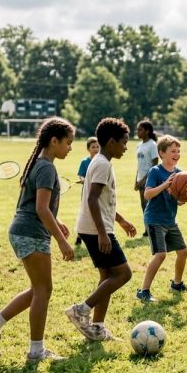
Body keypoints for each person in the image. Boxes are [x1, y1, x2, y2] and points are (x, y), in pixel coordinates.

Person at [0, 117, 76, 361]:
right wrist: (61, 241)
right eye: (68, 143)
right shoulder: (46, 167)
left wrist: (58, 222)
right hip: (30, 231)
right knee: (43, 290)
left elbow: (37, 204)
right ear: (54, 141)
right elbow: (41, 208)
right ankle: (36, 350)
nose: (71, 148)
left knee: (38, 289)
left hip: (25, 229)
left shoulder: (40, 163)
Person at [66, 118, 137, 340]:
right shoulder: (102, 164)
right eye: (124, 142)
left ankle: (97, 326)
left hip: (95, 227)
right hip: (96, 230)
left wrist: (121, 220)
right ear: (111, 141)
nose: (126, 147)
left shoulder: (101, 161)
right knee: (124, 274)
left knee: (107, 276)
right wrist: (103, 233)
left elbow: (102, 201)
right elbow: (92, 199)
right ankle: (81, 310)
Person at [136, 135, 187, 302]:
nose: (177, 154)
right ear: (161, 153)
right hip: (154, 219)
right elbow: (148, 194)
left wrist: (183, 196)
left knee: (183, 252)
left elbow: (179, 201)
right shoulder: (155, 172)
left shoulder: (180, 174)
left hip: (170, 220)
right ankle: (144, 291)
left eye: (178, 151)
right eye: (173, 151)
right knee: (161, 255)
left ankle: (177, 283)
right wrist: (165, 185)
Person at [135, 120, 159, 237]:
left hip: (149, 180)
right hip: (140, 180)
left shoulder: (153, 145)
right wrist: (136, 180)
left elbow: (155, 165)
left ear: (147, 131)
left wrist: (144, 180)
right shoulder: (138, 145)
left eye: (140, 129)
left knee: (149, 205)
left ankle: (153, 229)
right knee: (143, 205)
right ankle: (147, 229)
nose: (137, 132)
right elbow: (139, 165)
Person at [75, 136, 99, 246]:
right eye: (93, 147)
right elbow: (81, 175)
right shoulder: (85, 162)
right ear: (88, 149)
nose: (96, 149)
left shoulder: (101, 161)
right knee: (85, 214)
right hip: (87, 193)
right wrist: (84, 180)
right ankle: (79, 236)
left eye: (97, 146)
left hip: (98, 193)